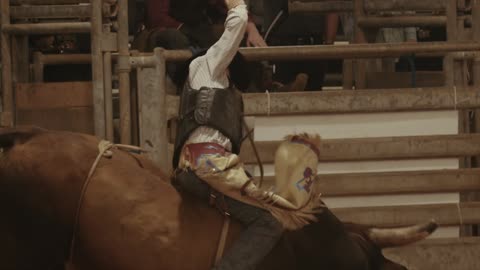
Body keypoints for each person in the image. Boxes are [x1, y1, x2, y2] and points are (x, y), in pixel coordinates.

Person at [171, 1, 322, 269]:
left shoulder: (205, 84)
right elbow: (238, 22)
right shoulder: (209, 64)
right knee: (270, 222)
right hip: (209, 167)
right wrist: (237, 3)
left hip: (200, 166)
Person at [263, 0, 339, 91]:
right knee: (279, 95)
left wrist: (329, 43)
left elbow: (332, 5)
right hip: (281, 42)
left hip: (314, 43)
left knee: (312, 97)